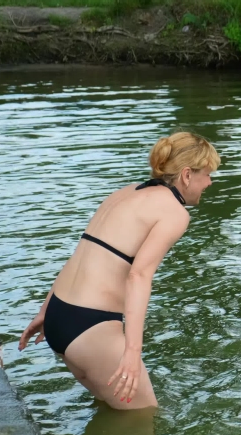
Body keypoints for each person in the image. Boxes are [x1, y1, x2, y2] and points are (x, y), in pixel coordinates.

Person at [18, 132, 221, 410]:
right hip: (92, 329)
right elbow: (139, 276)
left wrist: (45, 312)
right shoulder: (175, 212)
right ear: (187, 174)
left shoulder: (126, 192)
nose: (209, 182)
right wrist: (131, 354)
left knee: (113, 414)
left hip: (59, 315)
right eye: (207, 174)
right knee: (144, 424)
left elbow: (83, 253)